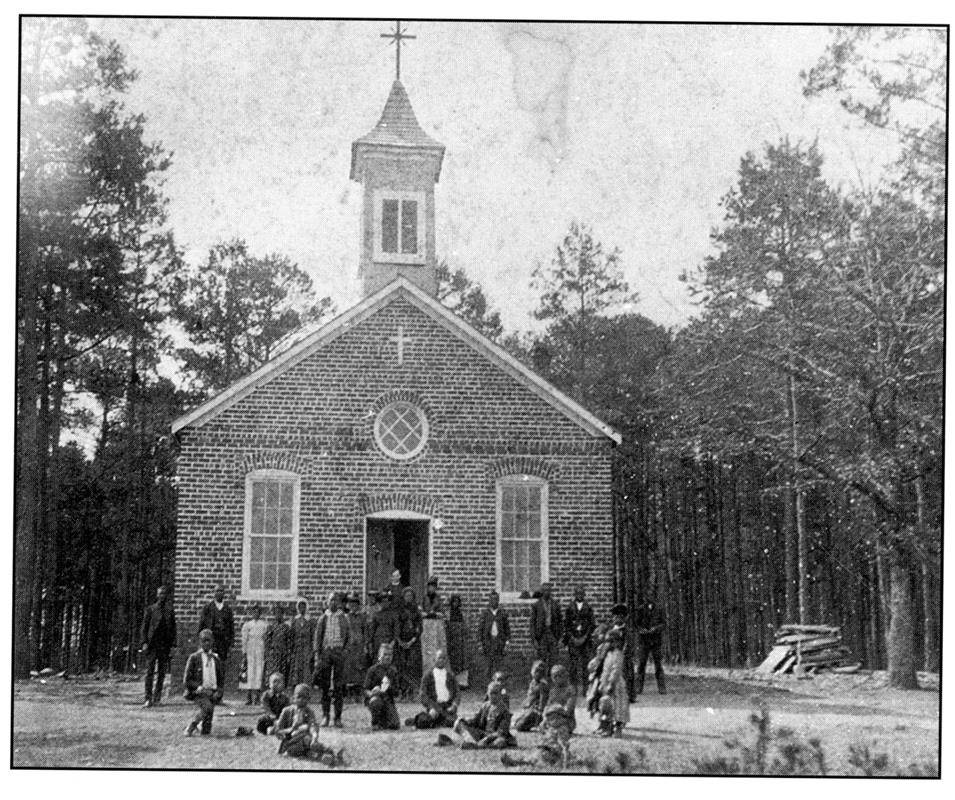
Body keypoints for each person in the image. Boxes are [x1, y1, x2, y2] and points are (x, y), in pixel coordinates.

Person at [274, 683, 344, 765]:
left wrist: (314, 738)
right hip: (289, 743)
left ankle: (330, 757)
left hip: (305, 743)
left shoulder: (309, 712)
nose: (302, 700)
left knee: (309, 744)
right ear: (293, 698)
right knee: (304, 735)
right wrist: (293, 728)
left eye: (305, 698)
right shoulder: (286, 711)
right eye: (299, 697)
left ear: (309, 699)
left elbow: (313, 726)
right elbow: (278, 731)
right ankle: (330, 752)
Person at [313, 591, 349, 727]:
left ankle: (338, 717)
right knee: (325, 686)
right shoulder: (323, 618)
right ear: (327, 603)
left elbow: (348, 637)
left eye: (336, 600)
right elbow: (317, 638)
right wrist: (318, 654)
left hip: (338, 653)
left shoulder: (343, 618)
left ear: (339, 603)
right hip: (326, 654)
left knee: (338, 686)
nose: (333, 603)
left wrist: (345, 651)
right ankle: (325, 715)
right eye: (331, 600)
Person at [140, 584, 177, 708]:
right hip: (152, 645)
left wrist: (172, 646)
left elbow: (173, 630)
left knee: (161, 673)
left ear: (166, 596)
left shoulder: (169, 611)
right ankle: (148, 698)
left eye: (164, 594)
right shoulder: (151, 609)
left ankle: (157, 698)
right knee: (150, 672)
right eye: (160, 594)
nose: (162, 596)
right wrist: (144, 642)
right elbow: (144, 628)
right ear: (157, 595)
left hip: (164, 645)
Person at [182, 628, 224, 736]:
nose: (206, 643)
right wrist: (198, 687)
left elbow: (221, 680)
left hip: (212, 692)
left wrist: (218, 692)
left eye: (209, 640)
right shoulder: (194, 658)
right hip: (199, 692)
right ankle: (192, 725)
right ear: (200, 642)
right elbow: (187, 680)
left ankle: (201, 727)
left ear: (212, 642)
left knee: (206, 731)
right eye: (204, 641)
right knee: (207, 707)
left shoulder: (216, 659)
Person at [453, 680, 516, 749]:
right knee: (459, 723)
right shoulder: (485, 706)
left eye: (495, 693)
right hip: (482, 734)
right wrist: (466, 721)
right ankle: (471, 742)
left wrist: (486, 739)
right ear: (488, 694)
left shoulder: (504, 711)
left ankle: (475, 746)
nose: (493, 696)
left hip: (494, 737)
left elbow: (501, 732)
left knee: (500, 741)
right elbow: (476, 720)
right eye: (491, 693)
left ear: (500, 694)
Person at [408, 648, 458, 729]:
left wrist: (454, 705)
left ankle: (439, 721)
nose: (441, 660)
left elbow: (457, 693)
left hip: (446, 707)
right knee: (424, 722)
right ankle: (417, 720)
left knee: (453, 722)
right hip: (434, 706)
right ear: (434, 659)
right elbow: (423, 695)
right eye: (439, 658)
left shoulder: (451, 675)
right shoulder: (427, 676)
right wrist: (431, 707)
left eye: (443, 658)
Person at [563, 585, 595, 694]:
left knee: (585, 665)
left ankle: (586, 688)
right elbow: (566, 625)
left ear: (584, 595)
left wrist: (585, 637)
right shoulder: (569, 608)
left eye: (582, 593)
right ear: (575, 595)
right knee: (573, 665)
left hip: (585, 640)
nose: (580, 596)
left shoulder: (588, 608)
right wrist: (572, 638)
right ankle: (573, 688)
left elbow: (592, 625)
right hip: (573, 639)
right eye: (578, 594)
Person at [596, 630, 629, 737]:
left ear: (616, 642)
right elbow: (604, 670)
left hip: (615, 684)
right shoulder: (608, 654)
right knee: (606, 706)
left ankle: (617, 727)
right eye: (607, 642)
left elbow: (616, 670)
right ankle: (605, 726)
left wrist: (611, 683)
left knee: (617, 706)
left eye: (610, 642)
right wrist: (602, 683)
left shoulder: (618, 654)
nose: (608, 644)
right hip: (605, 682)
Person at [363, 643, 400, 731]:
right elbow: (365, 690)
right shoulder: (372, 670)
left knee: (394, 725)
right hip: (375, 698)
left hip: (387, 699)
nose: (387, 657)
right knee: (376, 702)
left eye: (390, 655)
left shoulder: (393, 671)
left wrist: (388, 688)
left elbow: (396, 692)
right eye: (385, 654)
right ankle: (375, 722)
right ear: (379, 656)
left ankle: (384, 719)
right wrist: (372, 693)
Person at [198, 585, 235, 671]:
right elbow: (201, 625)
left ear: (224, 593)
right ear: (214, 593)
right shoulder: (207, 608)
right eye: (217, 591)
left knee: (221, 665)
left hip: (223, 642)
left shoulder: (227, 609)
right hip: (211, 641)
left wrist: (231, 643)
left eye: (221, 591)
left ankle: (220, 684)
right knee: (209, 664)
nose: (219, 593)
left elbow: (231, 627)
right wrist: (201, 641)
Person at [395, 586, 423, 699]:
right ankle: (402, 690)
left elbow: (419, 627)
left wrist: (412, 641)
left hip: (413, 642)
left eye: (410, 596)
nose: (408, 598)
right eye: (406, 596)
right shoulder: (399, 610)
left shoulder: (416, 610)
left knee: (412, 665)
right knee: (402, 665)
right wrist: (400, 641)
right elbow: (396, 626)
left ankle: (412, 691)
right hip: (401, 641)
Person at [635, 598, 667, 694]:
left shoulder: (659, 610)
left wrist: (655, 629)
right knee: (641, 664)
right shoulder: (640, 609)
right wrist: (642, 630)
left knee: (658, 664)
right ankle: (638, 687)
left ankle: (661, 687)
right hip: (644, 641)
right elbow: (637, 624)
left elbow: (663, 623)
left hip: (656, 641)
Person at [342, 592, 369, 700]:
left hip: (359, 645)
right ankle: (348, 693)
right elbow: (343, 632)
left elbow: (365, 631)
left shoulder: (362, 617)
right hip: (349, 646)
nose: (353, 607)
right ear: (348, 605)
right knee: (348, 668)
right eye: (351, 604)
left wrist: (366, 645)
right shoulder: (345, 617)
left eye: (355, 604)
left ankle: (358, 692)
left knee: (359, 668)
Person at [240, 603, 269, 704]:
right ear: (251, 613)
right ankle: (248, 696)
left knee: (259, 671)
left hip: (260, 649)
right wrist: (244, 653)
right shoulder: (247, 625)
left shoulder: (264, 625)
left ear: (260, 614)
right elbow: (244, 640)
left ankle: (257, 697)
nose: (256, 614)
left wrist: (265, 651)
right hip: (250, 649)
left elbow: (266, 639)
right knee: (250, 671)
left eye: (258, 612)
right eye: (254, 612)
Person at [478, 590, 510, 682]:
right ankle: (488, 685)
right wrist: (480, 643)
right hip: (488, 642)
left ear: (498, 601)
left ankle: (499, 685)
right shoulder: (485, 614)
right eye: (492, 600)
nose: (494, 602)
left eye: (496, 599)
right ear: (489, 601)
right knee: (488, 665)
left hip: (499, 642)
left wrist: (507, 643)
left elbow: (507, 629)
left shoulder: (502, 614)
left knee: (498, 665)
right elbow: (480, 629)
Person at [530, 582, 562, 671]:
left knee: (554, 659)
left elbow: (560, 622)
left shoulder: (555, 604)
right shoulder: (536, 605)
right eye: (545, 590)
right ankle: (542, 681)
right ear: (542, 591)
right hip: (541, 635)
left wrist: (560, 638)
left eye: (548, 590)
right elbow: (532, 623)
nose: (547, 592)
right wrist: (534, 639)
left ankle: (553, 679)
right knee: (541, 659)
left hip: (552, 634)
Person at [609, 603, 636, 702]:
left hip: (623, 655)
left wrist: (624, 651)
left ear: (625, 618)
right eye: (615, 616)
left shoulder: (627, 631)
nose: (617, 619)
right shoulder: (611, 630)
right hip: (612, 655)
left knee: (627, 674)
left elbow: (629, 643)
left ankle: (629, 695)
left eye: (620, 617)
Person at [513, 659, 549, 732]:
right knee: (516, 723)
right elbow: (529, 697)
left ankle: (539, 724)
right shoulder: (533, 683)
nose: (538, 674)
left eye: (541, 672)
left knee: (519, 726)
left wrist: (539, 713)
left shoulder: (543, 685)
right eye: (536, 671)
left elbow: (543, 701)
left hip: (535, 711)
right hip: (528, 709)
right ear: (532, 671)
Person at [445, 593, 471, 687]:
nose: (455, 604)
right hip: (452, 640)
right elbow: (446, 627)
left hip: (460, 640)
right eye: (453, 602)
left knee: (462, 660)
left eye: (457, 602)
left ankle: (462, 682)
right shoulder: (448, 614)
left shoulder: (462, 614)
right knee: (452, 660)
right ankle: (452, 682)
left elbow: (466, 627)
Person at [288, 600, 315, 687]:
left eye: (304, 607)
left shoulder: (310, 621)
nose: (302, 609)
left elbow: (313, 636)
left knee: (306, 667)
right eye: (300, 607)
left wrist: (312, 649)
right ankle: (296, 686)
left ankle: (306, 686)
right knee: (297, 666)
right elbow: (292, 636)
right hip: (297, 647)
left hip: (307, 647)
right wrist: (291, 649)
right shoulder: (295, 620)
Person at [264, 604, 292, 686]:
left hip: (283, 653)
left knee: (281, 673)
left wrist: (288, 654)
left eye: (280, 613)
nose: (278, 615)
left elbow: (289, 641)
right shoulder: (271, 627)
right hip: (273, 654)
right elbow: (267, 640)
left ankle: (280, 689)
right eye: (276, 613)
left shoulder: (286, 627)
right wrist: (268, 653)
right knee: (272, 672)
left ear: (282, 614)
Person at [368, 591, 397, 661]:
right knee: (378, 659)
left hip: (389, 640)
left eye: (387, 602)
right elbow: (372, 630)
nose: (385, 604)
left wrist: (393, 641)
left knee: (389, 659)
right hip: (378, 640)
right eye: (382, 602)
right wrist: (370, 643)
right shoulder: (376, 615)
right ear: (379, 603)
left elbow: (396, 629)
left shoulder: (394, 615)